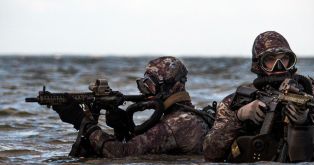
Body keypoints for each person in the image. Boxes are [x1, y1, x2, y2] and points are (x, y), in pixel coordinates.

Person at [203, 31, 314, 163]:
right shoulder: (236, 100)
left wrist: (304, 123)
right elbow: (210, 153)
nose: (279, 66)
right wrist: (238, 117)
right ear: (258, 64)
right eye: (270, 59)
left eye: (284, 58)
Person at [53, 56, 211, 158]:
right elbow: (145, 148)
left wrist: (82, 122)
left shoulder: (175, 124)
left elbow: (121, 154)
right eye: (143, 85)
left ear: (171, 87)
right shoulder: (185, 117)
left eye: (150, 85)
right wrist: (123, 128)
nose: (146, 92)